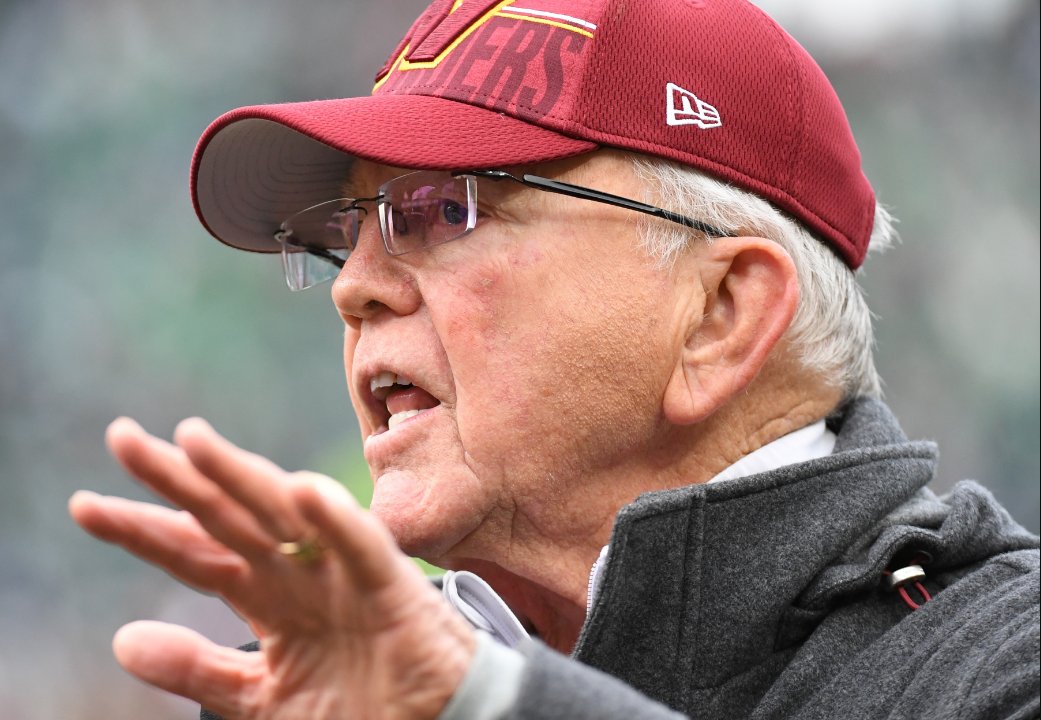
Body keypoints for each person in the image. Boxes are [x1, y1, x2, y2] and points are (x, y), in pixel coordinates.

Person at [68, 0, 1041, 718]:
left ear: (718, 314)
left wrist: (487, 705)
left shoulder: (1004, 662)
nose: (351, 284)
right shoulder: (322, 694)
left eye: (439, 207)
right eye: (342, 230)